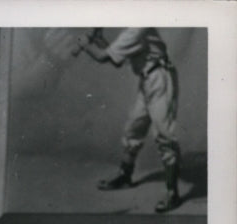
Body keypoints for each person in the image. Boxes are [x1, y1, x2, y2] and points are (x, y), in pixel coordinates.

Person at [75, 27, 182, 213]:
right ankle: (125, 176)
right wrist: (99, 41)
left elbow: (102, 57)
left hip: (160, 80)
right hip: (147, 79)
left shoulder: (137, 28)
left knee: (165, 136)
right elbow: (117, 60)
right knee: (133, 128)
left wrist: (86, 45)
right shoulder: (133, 29)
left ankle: (173, 193)